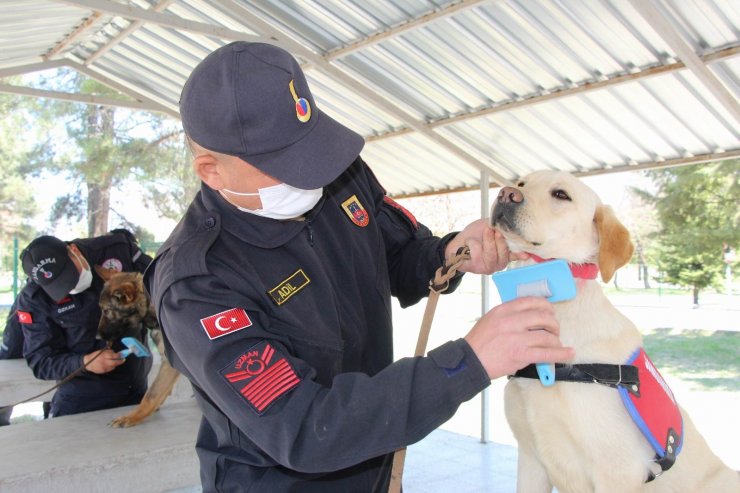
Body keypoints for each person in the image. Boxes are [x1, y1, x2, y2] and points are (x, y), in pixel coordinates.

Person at [145, 41, 574, 492]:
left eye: (307, 148)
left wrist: (450, 253)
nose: (311, 173)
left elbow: (398, 253)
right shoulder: (197, 283)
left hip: (377, 465)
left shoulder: (337, 170)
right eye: (284, 163)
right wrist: (466, 364)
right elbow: (305, 429)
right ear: (211, 171)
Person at [14, 230, 153, 418]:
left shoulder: (117, 251)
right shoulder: (35, 299)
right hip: (83, 399)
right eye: (61, 286)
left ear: (74, 251)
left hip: (137, 389)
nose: (71, 287)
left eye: (70, 276)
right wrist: (84, 363)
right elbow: (41, 361)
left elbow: (160, 280)